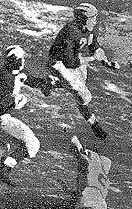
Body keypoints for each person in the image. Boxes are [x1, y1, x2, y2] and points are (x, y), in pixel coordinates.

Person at [0, 45, 60, 204]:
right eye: (20, 59)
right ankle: (6, 170)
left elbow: (33, 81)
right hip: (0, 119)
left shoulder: (17, 73)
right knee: (32, 143)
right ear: (16, 61)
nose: (23, 61)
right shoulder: (3, 78)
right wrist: (15, 102)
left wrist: (49, 82)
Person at [47, 3, 119, 141]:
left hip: (77, 60)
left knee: (80, 97)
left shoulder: (89, 29)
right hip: (60, 64)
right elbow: (69, 62)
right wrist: (92, 59)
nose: (95, 21)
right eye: (93, 18)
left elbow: (95, 47)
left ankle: (93, 124)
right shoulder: (70, 32)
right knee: (84, 96)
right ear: (83, 19)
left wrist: (106, 62)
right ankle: (52, 81)